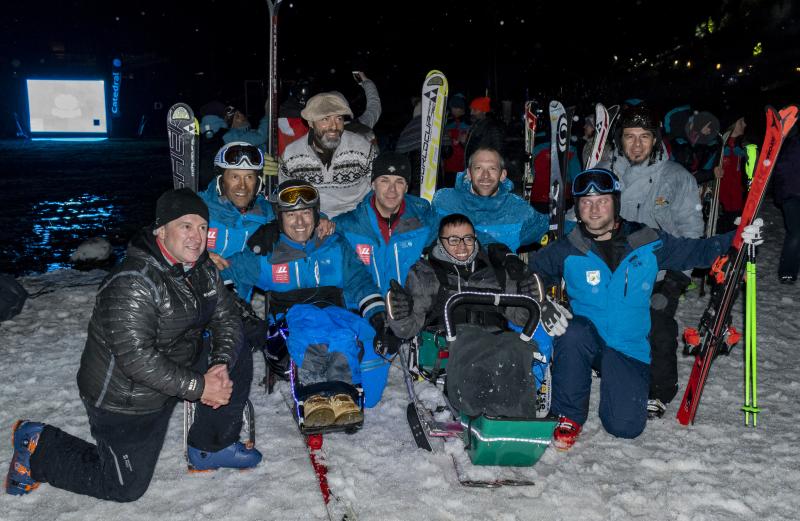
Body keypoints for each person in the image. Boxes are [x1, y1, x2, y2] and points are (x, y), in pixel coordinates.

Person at [5, 188, 261, 501]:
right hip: (127, 394)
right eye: (186, 226)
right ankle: (38, 446)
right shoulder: (133, 281)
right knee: (124, 487)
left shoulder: (203, 268)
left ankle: (211, 447)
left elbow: (227, 319)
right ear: (161, 230)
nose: (197, 236)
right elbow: (137, 361)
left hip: (176, 363)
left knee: (237, 353)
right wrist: (200, 386)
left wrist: (219, 363)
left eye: (202, 228)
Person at [530, 168, 764, 449]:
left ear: (615, 203)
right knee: (572, 331)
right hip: (587, 340)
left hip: (629, 348)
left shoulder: (647, 240)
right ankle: (568, 414)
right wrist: (542, 302)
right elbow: (531, 274)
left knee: (624, 427)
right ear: (577, 209)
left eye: (602, 200)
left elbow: (696, 251)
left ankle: (619, 387)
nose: (594, 209)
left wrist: (736, 238)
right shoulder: (568, 248)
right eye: (586, 202)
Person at [219, 180, 399, 415]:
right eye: (291, 215)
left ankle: (342, 392)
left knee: (357, 350)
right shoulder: (266, 250)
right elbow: (228, 273)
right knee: (311, 319)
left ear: (316, 215)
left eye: (305, 213)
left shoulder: (334, 245)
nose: (300, 222)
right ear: (280, 218)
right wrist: (238, 311)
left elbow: (359, 282)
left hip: (334, 317)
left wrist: (377, 316)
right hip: (288, 329)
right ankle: (314, 391)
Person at [603, 105, 704, 419]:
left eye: (644, 137)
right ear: (620, 140)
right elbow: (580, 213)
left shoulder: (675, 177)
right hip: (610, 269)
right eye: (630, 137)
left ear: (655, 140)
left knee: (656, 324)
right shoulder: (605, 170)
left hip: (657, 273)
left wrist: (676, 281)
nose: (636, 145)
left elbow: (691, 231)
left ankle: (657, 390)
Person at [386, 213, 570, 341]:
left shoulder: (496, 273)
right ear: (440, 243)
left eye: (467, 239)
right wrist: (401, 315)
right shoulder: (426, 276)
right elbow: (407, 329)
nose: (462, 246)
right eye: (453, 240)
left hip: (495, 344)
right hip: (449, 350)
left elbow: (520, 318)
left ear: (475, 238)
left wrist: (531, 300)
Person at [333, 152, 436, 295]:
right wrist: (321, 218)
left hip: (411, 310)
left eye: (399, 181)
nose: (392, 189)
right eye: (384, 180)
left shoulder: (424, 222)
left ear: (406, 187)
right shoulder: (348, 226)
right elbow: (309, 232)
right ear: (373, 184)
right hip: (363, 311)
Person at [432, 147, 551, 253]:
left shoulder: (518, 210)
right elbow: (422, 232)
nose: (485, 175)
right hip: (452, 276)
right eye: (478, 168)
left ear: (503, 175)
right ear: (468, 173)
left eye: (492, 169)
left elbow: (551, 228)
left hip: (498, 276)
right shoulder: (445, 201)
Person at [279, 92, 376, 218]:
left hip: (356, 218)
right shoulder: (292, 154)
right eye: (325, 119)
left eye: (339, 118)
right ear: (310, 123)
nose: (334, 126)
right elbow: (285, 194)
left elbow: (377, 187)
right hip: (312, 219)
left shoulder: (362, 148)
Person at [774, 126, 800, 284]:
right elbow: (782, 169)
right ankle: (787, 272)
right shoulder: (794, 145)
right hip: (792, 196)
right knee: (796, 232)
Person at [714, 117, 749, 233]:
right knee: (725, 227)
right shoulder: (719, 143)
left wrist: (746, 155)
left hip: (739, 196)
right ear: (733, 124)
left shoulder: (744, 143)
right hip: (723, 199)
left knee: (737, 227)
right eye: (741, 122)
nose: (744, 124)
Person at [464, 96, 505, 168]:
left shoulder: (492, 127)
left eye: (475, 110)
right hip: (473, 166)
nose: (471, 113)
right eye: (471, 110)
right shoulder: (475, 125)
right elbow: (472, 147)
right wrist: (464, 141)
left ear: (484, 111)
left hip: (483, 168)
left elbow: (499, 150)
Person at [443, 93, 471, 187]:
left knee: (460, 184)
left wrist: (462, 140)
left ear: (462, 109)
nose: (454, 110)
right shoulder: (447, 120)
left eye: (457, 107)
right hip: (449, 160)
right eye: (453, 107)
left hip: (461, 161)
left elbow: (468, 141)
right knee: (450, 183)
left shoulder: (467, 122)